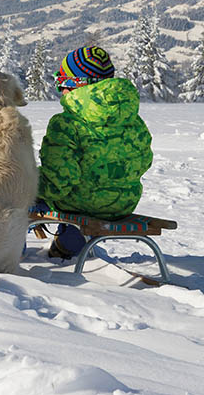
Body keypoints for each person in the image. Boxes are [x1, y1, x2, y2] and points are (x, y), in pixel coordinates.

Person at [37, 46, 153, 259]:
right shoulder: (133, 121)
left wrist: (30, 187)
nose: (60, 89)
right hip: (123, 203)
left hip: (78, 205)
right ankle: (68, 243)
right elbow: (144, 160)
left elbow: (58, 181)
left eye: (61, 81)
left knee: (21, 192)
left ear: (76, 84)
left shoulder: (67, 124)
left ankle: (12, 249)